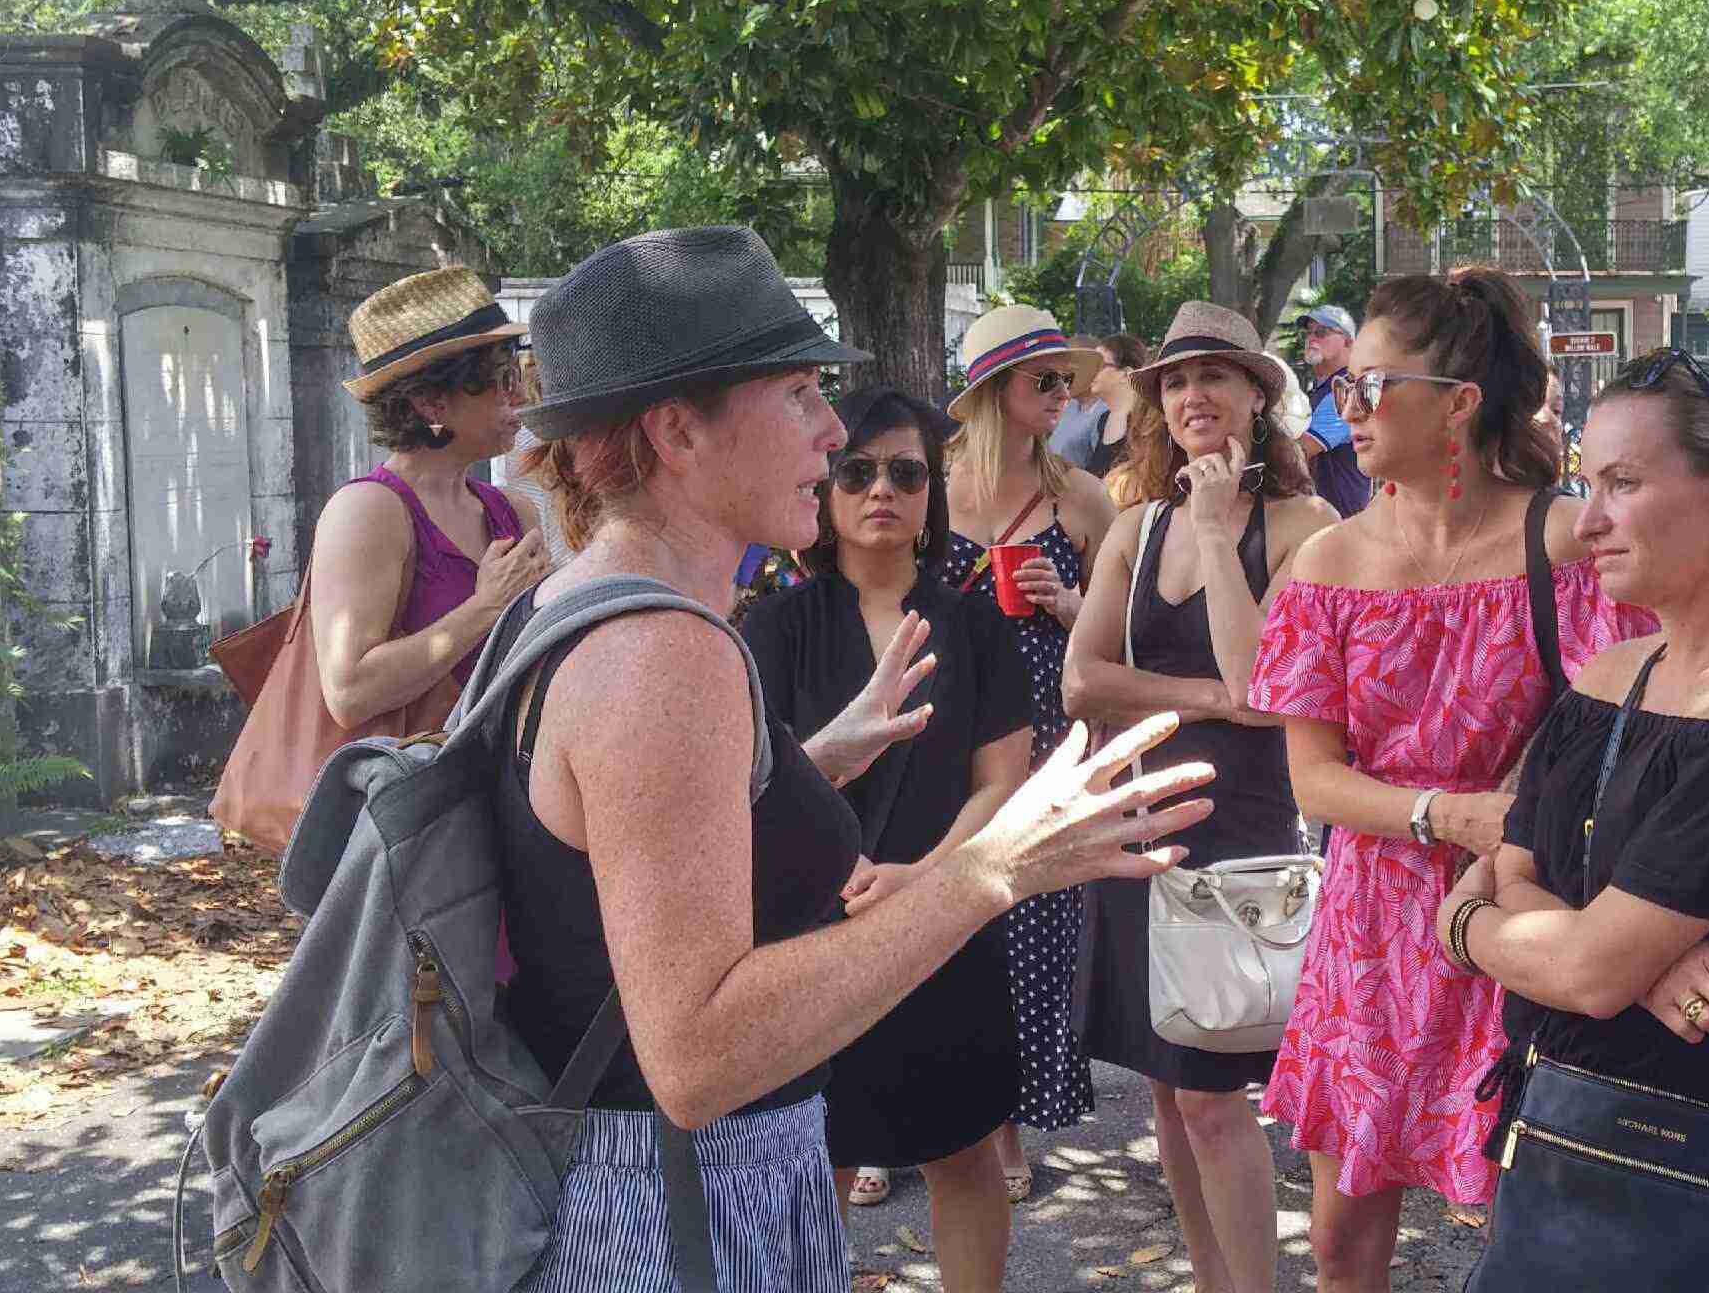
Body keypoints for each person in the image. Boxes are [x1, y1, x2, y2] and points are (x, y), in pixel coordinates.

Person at [487, 227, 1211, 1292]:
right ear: (679, 430)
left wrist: (809, 764)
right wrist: (997, 866)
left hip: (647, 1188)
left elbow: (618, 857)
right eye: (796, 393)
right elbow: (696, 1056)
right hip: (670, 1214)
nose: (831, 431)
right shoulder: (661, 655)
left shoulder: (576, 602)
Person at [1248, 269, 1652, 1291]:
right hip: (1372, 929)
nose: (1348, 406)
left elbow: (1644, 724)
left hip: (1527, 912)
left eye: (1371, 384)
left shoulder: (1561, 543)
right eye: (1344, 388)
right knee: (1342, 1248)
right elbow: (1314, 783)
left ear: (1458, 402)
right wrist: (1444, 812)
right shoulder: (1328, 565)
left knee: (1527, 1231)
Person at [1446, 348, 1709, 1277]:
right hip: (1559, 1127)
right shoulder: (1610, 675)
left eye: (1624, 483)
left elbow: (1571, 955)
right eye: (1587, 483)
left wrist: (1464, 923)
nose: (1588, 521)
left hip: (1699, 1174)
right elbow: (1518, 867)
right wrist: (1625, 960)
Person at [1061, 305, 1337, 1293]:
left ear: (1259, 399)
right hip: (1137, 838)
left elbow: (1268, 687)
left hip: (1245, 839)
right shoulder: (1132, 526)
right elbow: (1081, 681)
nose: (1192, 397)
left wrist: (1220, 537)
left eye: (1216, 377)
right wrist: (1209, 699)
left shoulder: (1307, 528)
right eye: (1175, 382)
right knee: (1170, 1101)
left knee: (1217, 1099)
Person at [739, 387, 1029, 1287]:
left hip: (946, 922)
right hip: (810, 932)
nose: (882, 491)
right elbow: (752, 785)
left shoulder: (978, 625)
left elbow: (1003, 783)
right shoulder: (773, 626)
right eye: (856, 471)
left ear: (931, 492)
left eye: (906, 473)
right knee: (809, 1154)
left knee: (963, 1149)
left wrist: (931, 880)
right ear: (823, 491)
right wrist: (838, 870)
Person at [933, 304, 1121, 1197]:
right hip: (943, 733)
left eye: (1067, 379)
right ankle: (919, 1124)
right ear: (991, 393)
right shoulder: (922, 484)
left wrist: (1063, 604)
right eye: (1043, 379)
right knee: (940, 925)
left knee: (1027, 930)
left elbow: (1117, 644)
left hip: (1046, 735)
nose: (1064, 393)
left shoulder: (1081, 496)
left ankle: (1001, 1126)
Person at [310, 267, 548, 729]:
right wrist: (489, 605)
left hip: (503, 788)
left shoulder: (515, 511)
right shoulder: (368, 511)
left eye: (515, 373)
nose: (518, 395)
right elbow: (349, 692)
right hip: (412, 792)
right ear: (431, 402)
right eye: (501, 379)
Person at [1292, 304, 1372, 516]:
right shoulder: (1319, 391)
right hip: (1320, 524)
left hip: (1343, 527)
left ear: (1348, 341)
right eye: (1308, 332)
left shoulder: (1349, 389)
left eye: (1321, 332)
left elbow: (1299, 450)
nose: (1311, 338)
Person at [1053, 332, 1146, 479]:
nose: (1091, 372)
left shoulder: (1145, 420)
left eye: (1099, 366)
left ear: (1125, 373)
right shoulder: (1103, 421)